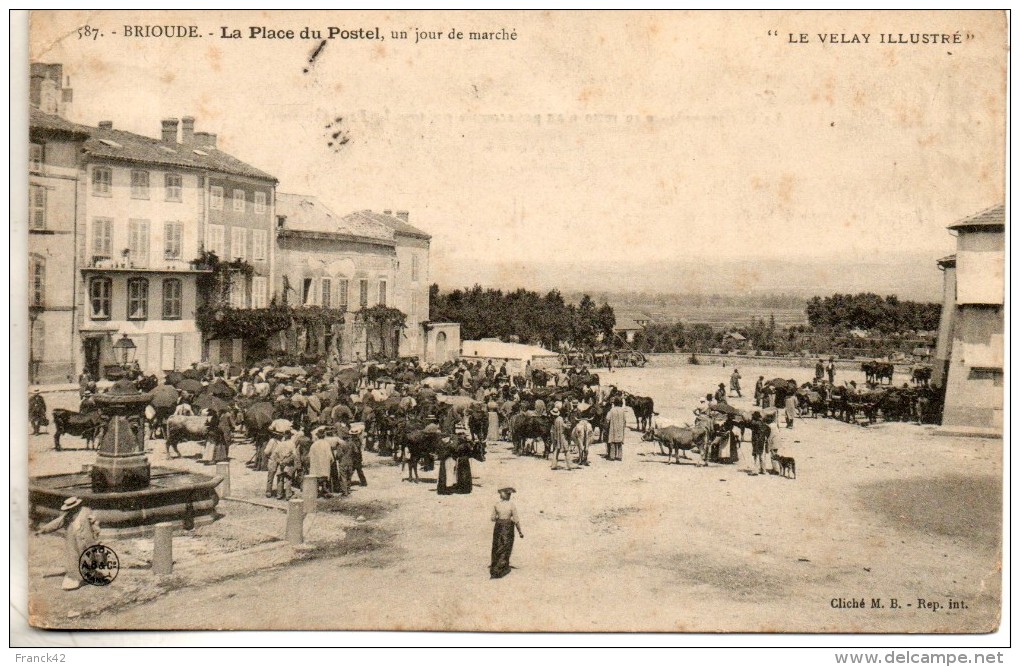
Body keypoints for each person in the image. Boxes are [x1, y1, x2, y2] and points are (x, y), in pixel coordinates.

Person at [36, 496, 101, 591]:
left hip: (86, 540)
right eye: (69, 509)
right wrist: (43, 529)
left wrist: (95, 529)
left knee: (89, 557)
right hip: (73, 541)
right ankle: (76, 578)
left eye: (73, 508)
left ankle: (90, 573)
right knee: (74, 558)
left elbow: (95, 523)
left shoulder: (86, 512)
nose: (71, 510)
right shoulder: (67, 516)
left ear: (77, 506)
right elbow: (57, 523)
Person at [489, 486, 524, 579]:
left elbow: (492, 518)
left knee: (497, 545)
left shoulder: (497, 505)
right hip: (508, 527)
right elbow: (516, 520)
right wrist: (520, 532)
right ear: (508, 496)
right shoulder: (511, 505)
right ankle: (502, 567)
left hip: (498, 526)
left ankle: (495, 567)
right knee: (506, 546)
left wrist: (499, 519)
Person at [308, 427, 338, 497]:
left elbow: (310, 455)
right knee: (324, 477)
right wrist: (330, 462)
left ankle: (316, 491)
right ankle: (325, 490)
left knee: (316, 477)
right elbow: (330, 456)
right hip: (324, 465)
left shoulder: (314, 445)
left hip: (316, 465)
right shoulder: (326, 444)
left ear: (317, 436)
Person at [606, 397, 627, 461]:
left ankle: (612, 456)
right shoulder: (622, 411)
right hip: (620, 428)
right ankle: (619, 456)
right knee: (620, 442)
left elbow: (607, 419)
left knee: (612, 442)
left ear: (614, 403)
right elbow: (625, 420)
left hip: (613, 428)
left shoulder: (612, 410)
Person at [749, 412, 770, 476]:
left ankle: (755, 471)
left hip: (756, 441)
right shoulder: (763, 424)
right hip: (761, 441)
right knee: (761, 455)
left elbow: (750, 423)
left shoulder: (756, 423)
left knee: (756, 455)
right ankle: (763, 470)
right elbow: (768, 430)